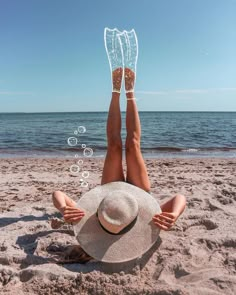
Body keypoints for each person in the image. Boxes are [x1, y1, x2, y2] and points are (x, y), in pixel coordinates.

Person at [50, 28, 186, 263]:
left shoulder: (94, 217)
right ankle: (129, 92)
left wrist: (63, 209)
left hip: (111, 195)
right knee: (132, 145)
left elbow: (57, 194)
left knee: (114, 145)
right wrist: (173, 214)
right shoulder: (149, 219)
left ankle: (115, 91)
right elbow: (179, 198)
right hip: (137, 197)